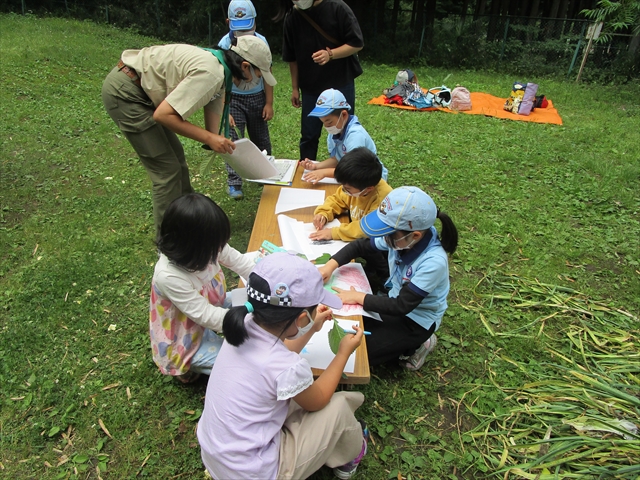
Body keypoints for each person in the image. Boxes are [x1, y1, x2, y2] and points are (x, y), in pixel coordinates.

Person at [197, 252, 368, 480]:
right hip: (257, 473)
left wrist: (311, 328)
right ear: (301, 319)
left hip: (219, 458)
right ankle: (351, 455)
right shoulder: (286, 367)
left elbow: (277, 354)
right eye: (314, 309)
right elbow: (318, 400)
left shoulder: (242, 326)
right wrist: (343, 353)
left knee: (294, 403)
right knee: (338, 408)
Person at [102, 36, 276, 235]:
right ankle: (168, 242)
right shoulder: (211, 72)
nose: (257, 81)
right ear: (245, 66)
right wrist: (210, 139)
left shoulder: (221, 73)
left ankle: (189, 224)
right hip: (127, 93)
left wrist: (230, 149)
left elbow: (213, 132)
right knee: (167, 171)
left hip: (143, 93)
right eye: (258, 74)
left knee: (178, 162)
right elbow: (164, 115)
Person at [319, 187, 458, 370]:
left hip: (414, 320)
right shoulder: (402, 236)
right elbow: (360, 246)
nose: (382, 237)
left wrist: (359, 297)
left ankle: (420, 343)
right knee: (348, 329)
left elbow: (402, 306)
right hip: (392, 301)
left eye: (387, 233)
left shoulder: (433, 262)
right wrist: (331, 265)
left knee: (359, 354)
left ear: (415, 235)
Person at [149, 193, 256, 384]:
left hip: (211, 308)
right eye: (214, 247)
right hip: (185, 336)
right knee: (244, 363)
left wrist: (262, 283)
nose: (219, 250)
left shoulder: (208, 244)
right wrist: (254, 317)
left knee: (251, 299)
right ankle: (187, 366)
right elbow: (206, 315)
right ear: (191, 247)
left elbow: (240, 263)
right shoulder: (169, 276)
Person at [275, 0, 364, 161]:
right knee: (309, 135)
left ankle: (350, 173)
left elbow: (356, 43)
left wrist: (330, 54)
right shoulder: (292, 17)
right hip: (311, 87)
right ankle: (306, 173)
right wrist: (295, 87)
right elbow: (292, 58)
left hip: (341, 82)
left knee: (345, 131)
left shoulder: (338, 8)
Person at [218, 0, 275, 200]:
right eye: (239, 30)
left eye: (248, 29)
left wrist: (269, 102)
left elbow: (268, 73)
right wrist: (227, 111)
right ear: (228, 22)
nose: (244, 35)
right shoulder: (225, 44)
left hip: (257, 98)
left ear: (255, 24)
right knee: (233, 141)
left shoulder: (262, 42)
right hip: (234, 99)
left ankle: (264, 175)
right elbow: (222, 81)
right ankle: (234, 183)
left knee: (261, 139)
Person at [301, 88, 388, 184]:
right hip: (352, 179)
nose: (326, 127)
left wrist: (324, 172)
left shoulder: (355, 136)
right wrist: (316, 166)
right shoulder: (335, 132)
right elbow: (337, 159)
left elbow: (353, 170)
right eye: (323, 123)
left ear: (344, 115)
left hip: (370, 182)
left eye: (329, 122)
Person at [310, 147, 392, 242]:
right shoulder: (355, 186)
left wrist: (333, 233)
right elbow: (337, 200)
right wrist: (323, 213)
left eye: (347, 189)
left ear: (368, 189)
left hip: (377, 243)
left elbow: (365, 228)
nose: (344, 190)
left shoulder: (382, 200)